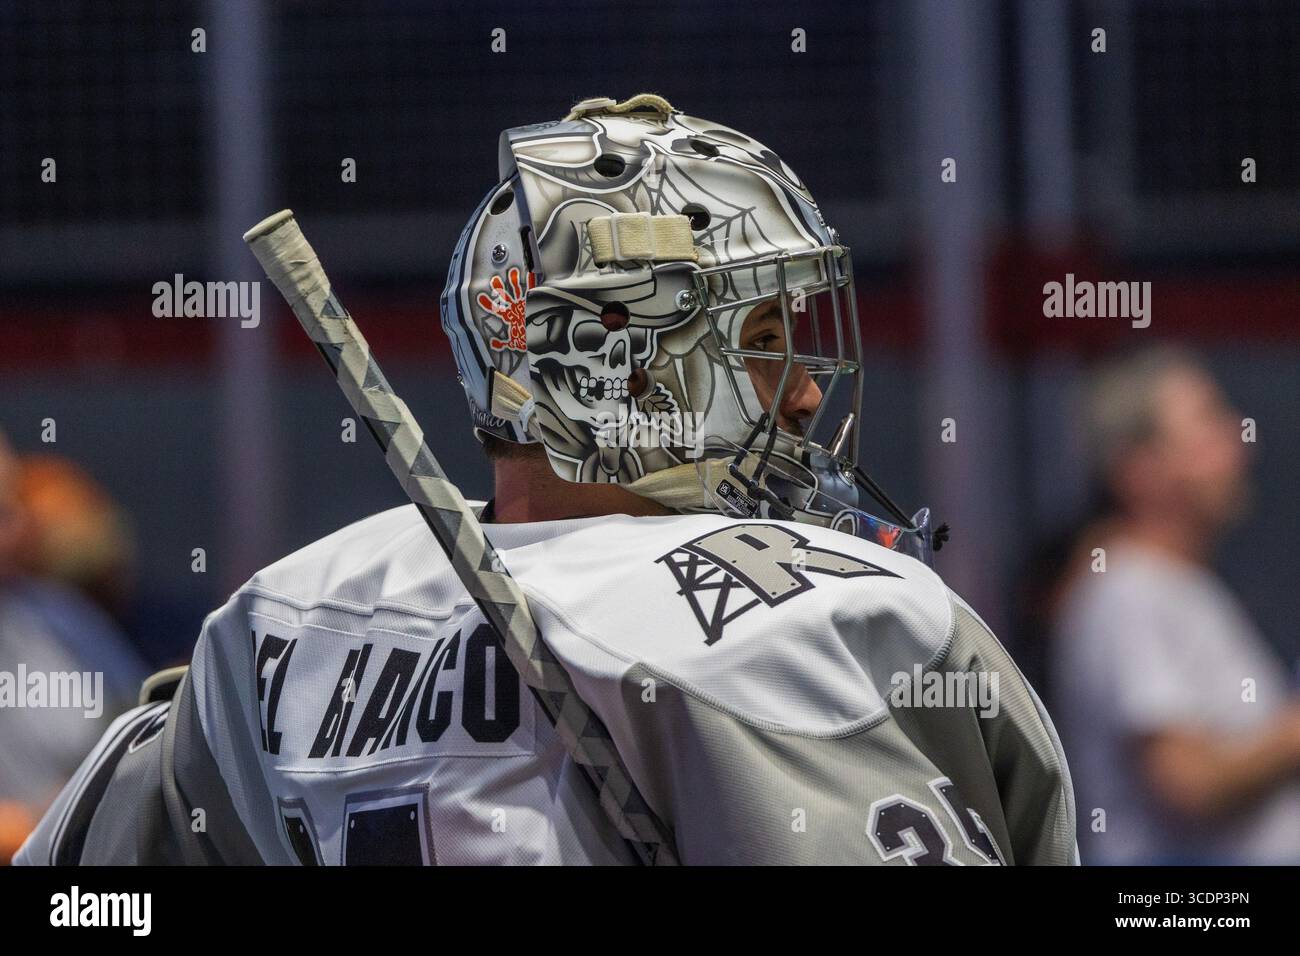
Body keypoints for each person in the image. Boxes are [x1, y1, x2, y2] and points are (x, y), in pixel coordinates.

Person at [16, 93, 1075, 866]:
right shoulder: (805, 621)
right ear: (611, 352)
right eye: (759, 336)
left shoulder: (279, 619)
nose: (801, 395)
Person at [1053, 347, 1300, 864]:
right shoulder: (1127, 591)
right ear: (1138, 469)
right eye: (1207, 423)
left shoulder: (1177, 584)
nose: (1238, 441)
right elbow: (1188, 785)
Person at [0, 434, 147, 863]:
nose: (19, 526)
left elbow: (140, 729)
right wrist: (56, 822)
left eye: (13, 510)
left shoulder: (55, 613)